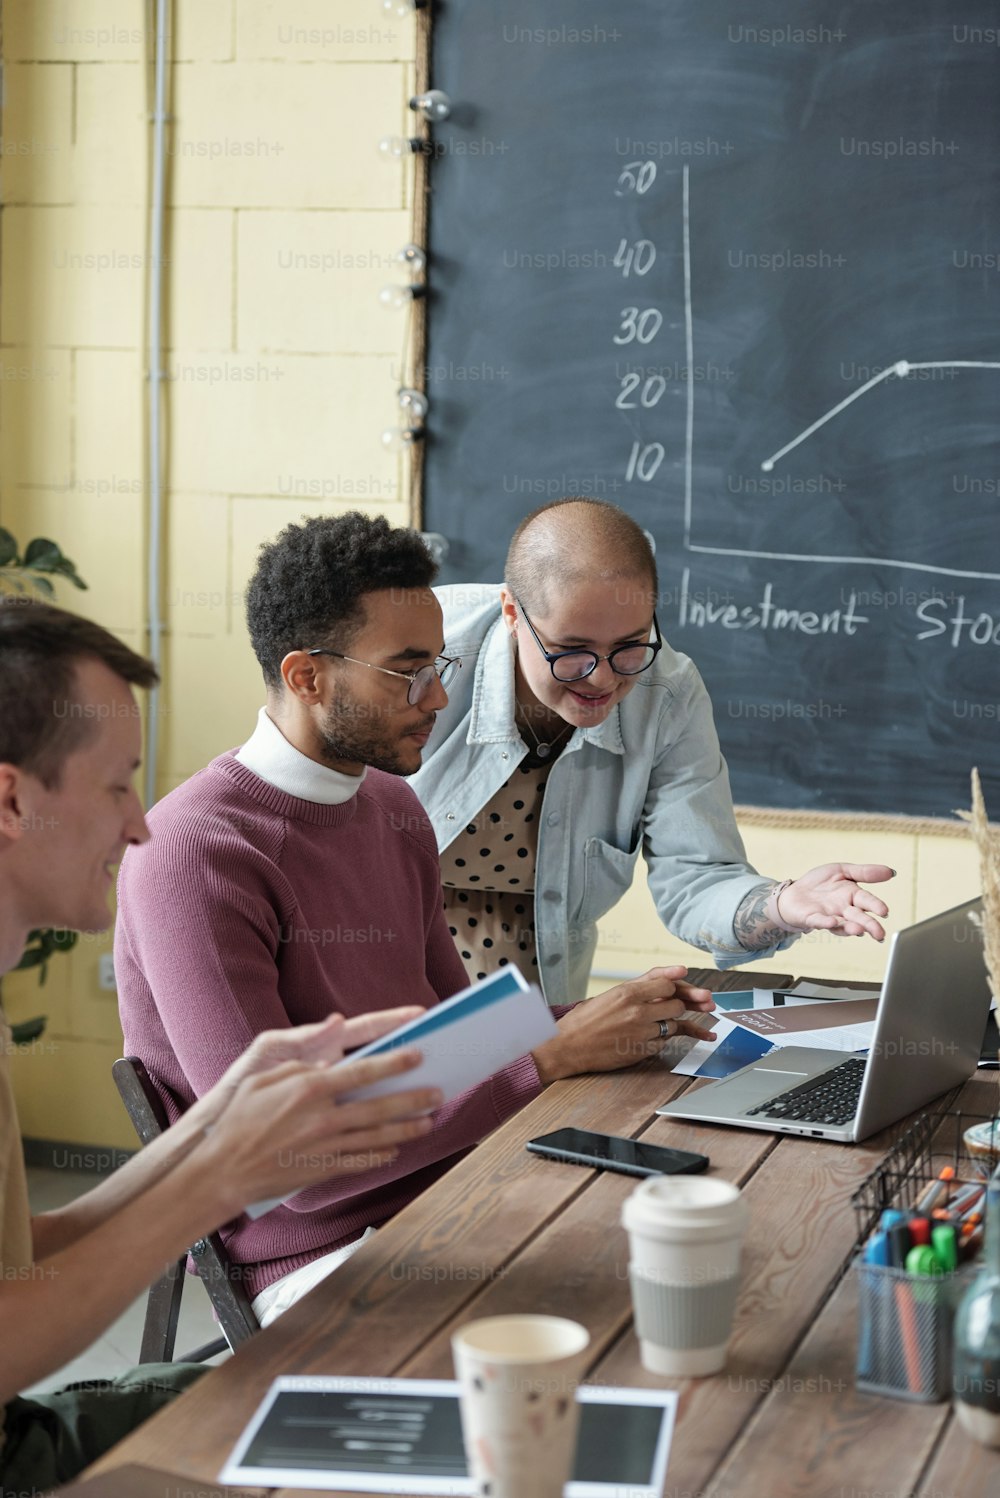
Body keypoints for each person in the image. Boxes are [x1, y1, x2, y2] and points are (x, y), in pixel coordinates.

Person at [115, 512, 716, 1330]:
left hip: (458, 1184)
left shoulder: (393, 808)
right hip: (312, 1249)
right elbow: (282, 1162)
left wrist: (619, 1019)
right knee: (630, 1325)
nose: (437, 697)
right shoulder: (193, 854)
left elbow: (460, 1037)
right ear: (306, 677)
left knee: (707, 1251)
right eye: (406, 671)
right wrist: (546, 1055)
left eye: (439, 665)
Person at [0, 599, 444, 1494]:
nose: (137, 824)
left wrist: (217, 1132)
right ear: (11, 798)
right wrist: (220, 1174)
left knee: (429, 1423)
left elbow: (20, 1257)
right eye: (118, 783)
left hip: (29, 1432)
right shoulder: (199, 844)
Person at [408, 497, 894, 1005]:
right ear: (513, 612)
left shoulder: (667, 695)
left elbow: (697, 878)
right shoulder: (428, 650)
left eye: (630, 645)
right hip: (376, 955)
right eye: (571, 650)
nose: (603, 678)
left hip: (537, 983)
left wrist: (781, 905)